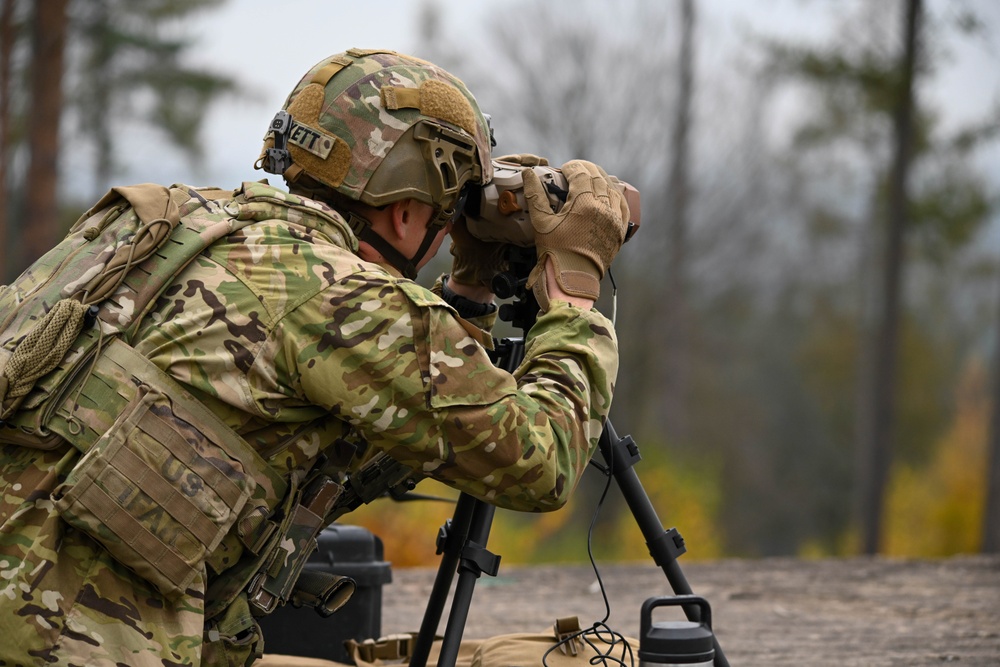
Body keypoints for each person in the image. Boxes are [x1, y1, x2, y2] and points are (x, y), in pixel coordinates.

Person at [0, 48, 629, 666]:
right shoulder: (344, 297)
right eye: (446, 213)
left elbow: (331, 448)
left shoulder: (155, 223)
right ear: (408, 211)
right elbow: (542, 461)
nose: (442, 233)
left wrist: (469, 291)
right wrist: (573, 292)